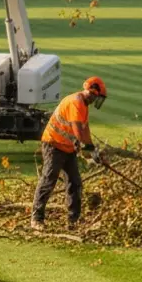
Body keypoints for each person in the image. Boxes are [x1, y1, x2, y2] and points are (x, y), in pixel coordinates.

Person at [31, 76, 108, 229]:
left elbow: (85, 130)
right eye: (96, 97)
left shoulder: (83, 106)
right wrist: (85, 149)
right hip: (54, 145)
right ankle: (36, 218)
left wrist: (92, 149)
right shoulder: (76, 102)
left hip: (67, 148)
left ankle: (74, 220)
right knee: (48, 180)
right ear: (92, 92)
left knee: (75, 182)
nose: (95, 100)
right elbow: (77, 131)